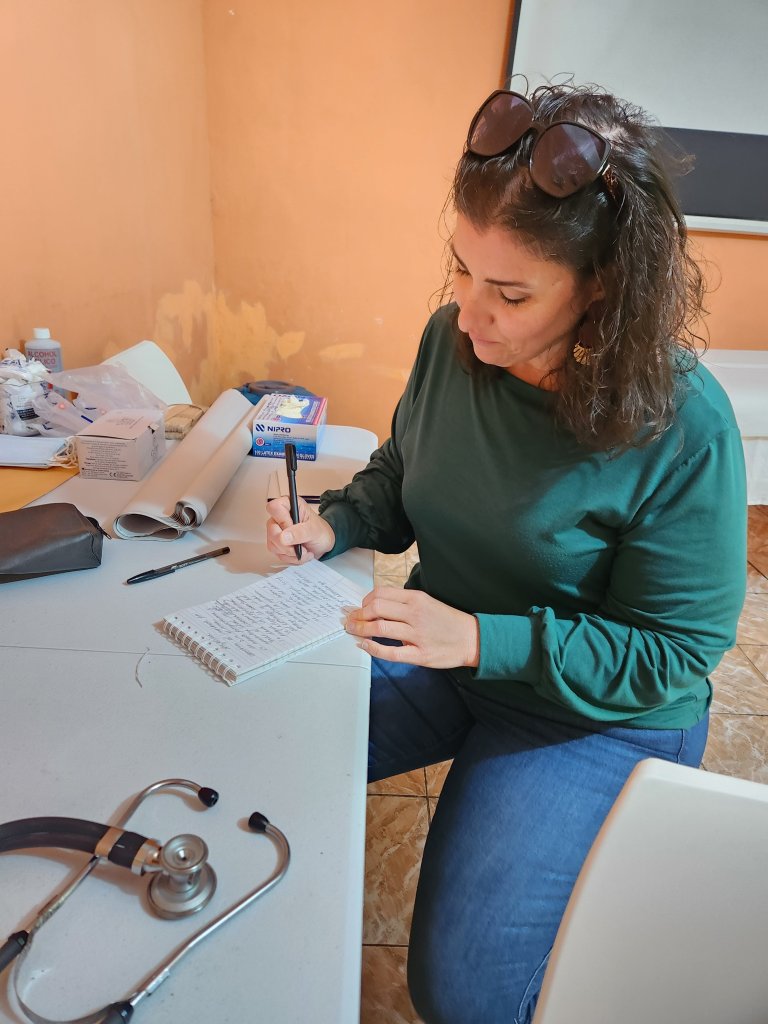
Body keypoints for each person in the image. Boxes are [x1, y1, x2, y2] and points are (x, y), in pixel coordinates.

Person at [266, 83, 747, 1024]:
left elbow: (674, 654)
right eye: (462, 271)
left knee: (463, 993)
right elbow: (405, 468)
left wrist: (485, 640)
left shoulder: (684, 425)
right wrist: (339, 523)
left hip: (594, 715)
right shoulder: (451, 345)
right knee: (262, 735)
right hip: (453, 656)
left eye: (511, 293)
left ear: (602, 288)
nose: (469, 313)